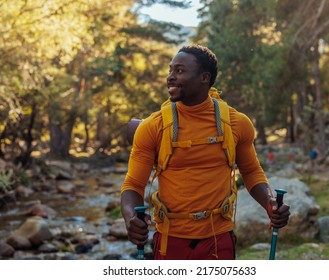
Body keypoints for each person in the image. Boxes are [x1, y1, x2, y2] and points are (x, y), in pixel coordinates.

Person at [120, 44, 290, 260]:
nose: (170, 77)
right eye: (170, 70)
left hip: (219, 241)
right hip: (170, 241)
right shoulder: (153, 126)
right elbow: (133, 185)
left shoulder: (237, 124)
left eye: (179, 71)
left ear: (204, 78)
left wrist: (270, 203)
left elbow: (251, 172)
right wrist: (130, 216)